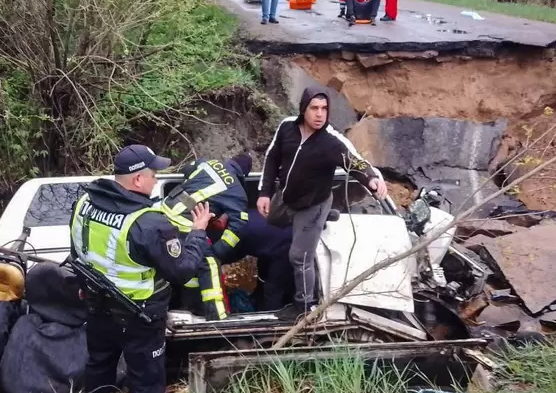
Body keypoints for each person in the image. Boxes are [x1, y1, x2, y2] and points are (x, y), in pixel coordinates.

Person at [70, 144, 213, 393]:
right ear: (138, 179)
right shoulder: (148, 223)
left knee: (99, 363)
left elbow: (78, 251)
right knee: (146, 375)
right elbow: (182, 271)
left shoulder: (83, 205)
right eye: (153, 173)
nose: (156, 179)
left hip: (97, 307)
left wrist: (82, 286)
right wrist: (197, 232)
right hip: (139, 315)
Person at [258, 87, 388, 321]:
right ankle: (324, 218)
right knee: (270, 220)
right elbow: (272, 157)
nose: (320, 114)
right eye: (314, 108)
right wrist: (264, 192)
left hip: (313, 204)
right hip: (287, 196)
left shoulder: (331, 142)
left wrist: (372, 179)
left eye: (324, 109)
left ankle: (306, 306)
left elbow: (355, 162)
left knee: (299, 256)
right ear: (303, 109)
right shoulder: (287, 127)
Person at [159, 155, 252, 320]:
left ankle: (187, 306)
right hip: (183, 224)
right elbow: (238, 227)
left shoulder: (209, 162)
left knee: (185, 265)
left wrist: (197, 206)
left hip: (165, 210)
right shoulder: (237, 192)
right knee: (209, 264)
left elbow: (187, 170)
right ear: (243, 175)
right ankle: (217, 316)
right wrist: (218, 250)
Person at [218, 208, 295, 312]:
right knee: (263, 275)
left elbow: (227, 255)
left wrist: (219, 261)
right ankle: (259, 300)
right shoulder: (239, 213)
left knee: (272, 289)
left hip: (284, 247)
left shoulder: (235, 233)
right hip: (274, 239)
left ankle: (271, 318)